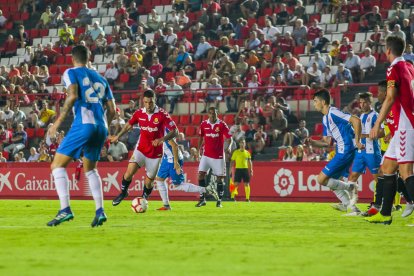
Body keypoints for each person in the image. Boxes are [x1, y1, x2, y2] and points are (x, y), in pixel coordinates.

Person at [46, 45, 116, 227]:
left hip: (84, 124)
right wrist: (105, 126)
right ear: (89, 57)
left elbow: (72, 96)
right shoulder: (101, 78)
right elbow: (112, 110)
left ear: (72, 58)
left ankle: (65, 210)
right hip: (101, 126)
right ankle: (100, 211)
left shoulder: (70, 72)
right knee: (91, 169)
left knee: (57, 166)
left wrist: (57, 123)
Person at [367, 36, 414, 225]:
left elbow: (391, 96)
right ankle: (385, 214)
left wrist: (378, 123)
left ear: (387, 50)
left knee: (406, 172)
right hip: (406, 124)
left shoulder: (393, 69)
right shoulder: (409, 66)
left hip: (405, 125)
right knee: (387, 168)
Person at [110, 89, 178, 208]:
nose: (148, 105)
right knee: (128, 173)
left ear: (154, 100)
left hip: (155, 154)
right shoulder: (139, 113)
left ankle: (143, 199)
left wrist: (162, 139)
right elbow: (128, 125)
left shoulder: (162, 114)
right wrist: (118, 136)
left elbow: (175, 131)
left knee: (149, 181)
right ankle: (123, 192)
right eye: (146, 102)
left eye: (150, 102)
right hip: (141, 149)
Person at [306, 89, 363, 213]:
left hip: (346, 150)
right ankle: (352, 208)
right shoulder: (326, 118)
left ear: (323, 102)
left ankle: (351, 187)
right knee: (332, 182)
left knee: (321, 179)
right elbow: (327, 143)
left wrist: (358, 141)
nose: (314, 104)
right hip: (342, 151)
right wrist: (312, 142)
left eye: (315, 101)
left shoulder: (333, 113)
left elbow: (356, 120)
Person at [155, 132, 219, 210]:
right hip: (167, 158)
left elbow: (175, 146)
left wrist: (176, 163)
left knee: (177, 185)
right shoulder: (160, 129)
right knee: (159, 180)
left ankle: (207, 189)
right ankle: (166, 205)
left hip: (173, 159)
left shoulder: (164, 131)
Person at [346, 92, 383, 216]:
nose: (362, 105)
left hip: (373, 153)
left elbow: (382, 133)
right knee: (352, 178)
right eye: (360, 102)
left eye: (364, 102)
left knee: (378, 179)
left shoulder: (375, 116)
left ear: (370, 102)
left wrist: (368, 135)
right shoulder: (361, 116)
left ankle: (380, 204)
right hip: (361, 152)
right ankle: (353, 207)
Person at [196, 107, 233, 207]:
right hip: (206, 155)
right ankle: (202, 199)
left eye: (214, 113)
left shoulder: (222, 124)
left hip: (218, 156)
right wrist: (198, 149)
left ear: (217, 113)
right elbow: (200, 137)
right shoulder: (204, 124)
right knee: (200, 175)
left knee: (219, 179)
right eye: (211, 113)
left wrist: (228, 147)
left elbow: (230, 138)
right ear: (208, 114)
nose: (212, 115)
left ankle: (219, 201)